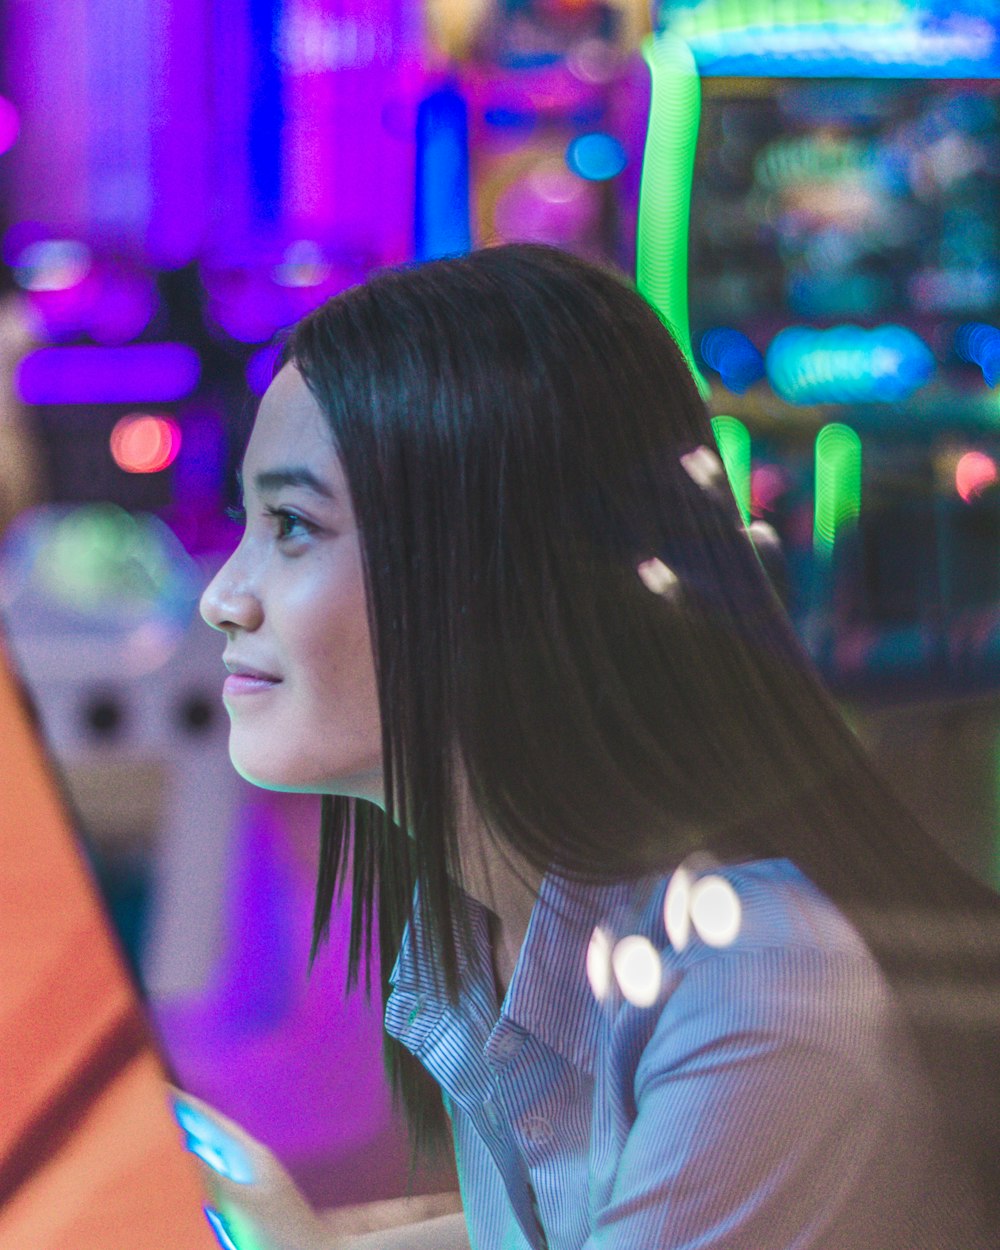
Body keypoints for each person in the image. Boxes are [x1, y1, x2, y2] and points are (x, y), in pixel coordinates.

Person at [189, 243, 1000, 1250]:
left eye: (293, 525)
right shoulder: (500, 921)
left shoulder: (755, 977)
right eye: (247, 521)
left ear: (490, 572)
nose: (222, 596)